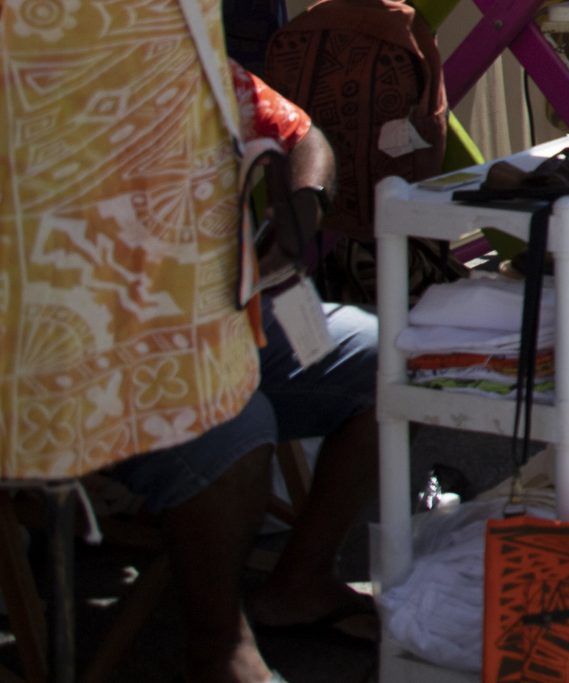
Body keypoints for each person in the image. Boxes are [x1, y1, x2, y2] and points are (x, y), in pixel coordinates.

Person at [109, 85, 384, 681]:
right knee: (240, 417)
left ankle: (301, 580)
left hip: (237, 312)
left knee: (391, 361)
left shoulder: (174, 51)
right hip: (104, 354)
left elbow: (302, 135)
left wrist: (299, 213)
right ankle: (221, 649)